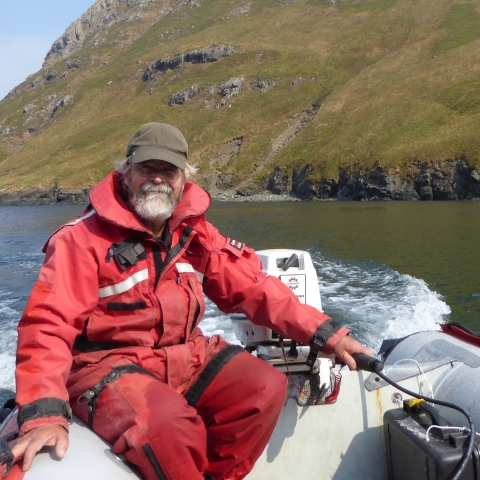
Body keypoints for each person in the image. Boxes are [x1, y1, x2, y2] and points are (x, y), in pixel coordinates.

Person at [12, 123, 371, 480]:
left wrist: (328, 334)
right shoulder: (80, 240)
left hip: (186, 356)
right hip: (104, 366)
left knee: (264, 388)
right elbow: (47, 326)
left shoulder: (194, 232)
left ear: (183, 178)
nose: (158, 179)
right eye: (147, 169)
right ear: (126, 173)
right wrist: (44, 415)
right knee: (169, 426)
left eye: (168, 171)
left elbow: (253, 288)